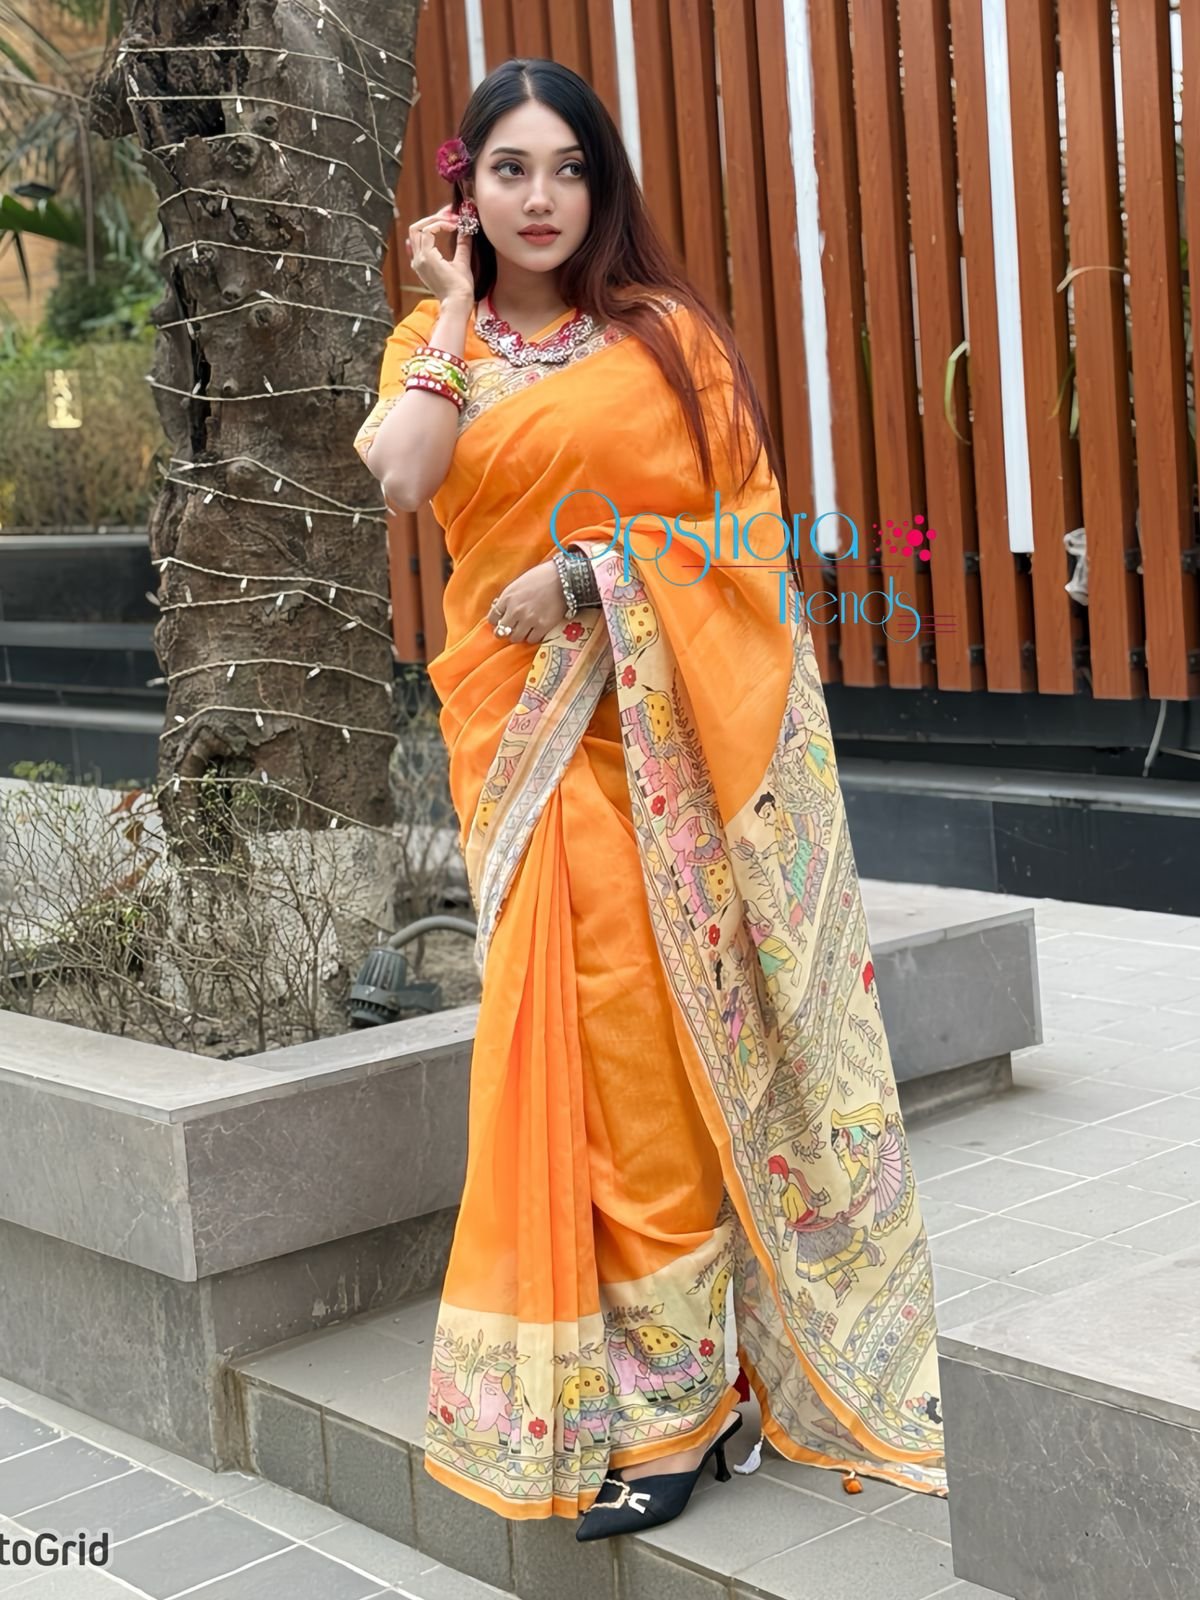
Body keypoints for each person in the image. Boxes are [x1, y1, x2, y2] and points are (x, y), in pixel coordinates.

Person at [356, 56, 946, 1539]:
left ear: (601, 184)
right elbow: (404, 481)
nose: (540, 197)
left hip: (662, 747)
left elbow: (746, 543)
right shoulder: (435, 348)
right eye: (509, 170)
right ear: (467, 190)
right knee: (563, 1049)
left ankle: (679, 1403)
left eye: (567, 168)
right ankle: (623, 1378)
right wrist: (448, 309)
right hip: (517, 748)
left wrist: (595, 577)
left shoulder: (667, 339)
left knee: (637, 1050)